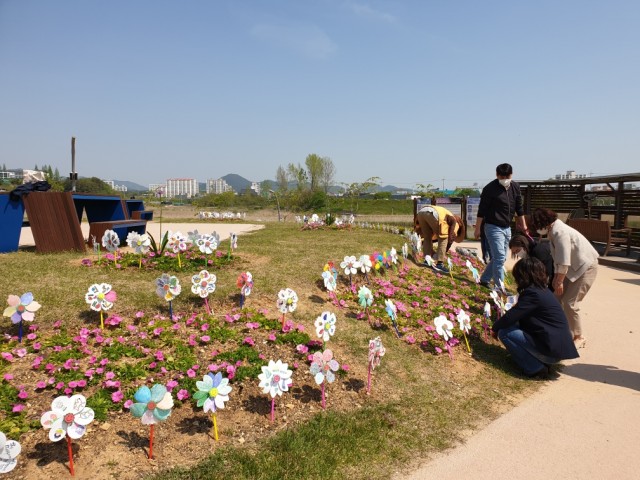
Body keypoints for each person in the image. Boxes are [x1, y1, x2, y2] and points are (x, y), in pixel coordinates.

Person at [492, 257, 579, 378]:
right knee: (512, 326)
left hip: (552, 352)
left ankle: (534, 368)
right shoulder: (542, 290)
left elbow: (511, 316)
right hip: (555, 348)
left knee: (505, 332)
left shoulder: (533, 293)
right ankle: (541, 361)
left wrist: (495, 328)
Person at [530, 207, 598, 348]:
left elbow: (564, 260)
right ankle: (560, 331)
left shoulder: (559, 232)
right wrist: (556, 279)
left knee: (570, 303)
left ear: (543, 223)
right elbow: (558, 260)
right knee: (556, 298)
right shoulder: (553, 230)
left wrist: (559, 281)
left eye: (536, 225)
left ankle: (579, 336)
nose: (536, 229)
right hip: (572, 268)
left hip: (586, 267)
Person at [474, 163, 528, 288]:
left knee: (501, 258)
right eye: (501, 176)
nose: (504, 179)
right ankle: (500, 288)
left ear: (511, 175)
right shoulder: (489, 188)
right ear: (497, 175)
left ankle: (485, 279)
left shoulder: (515, 187)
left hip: (507, 227)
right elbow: (481, 210)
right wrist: (477, 229)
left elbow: (519, 208)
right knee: (499, 258)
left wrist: (523, 225)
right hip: (493, 226)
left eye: (507, 176)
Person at [415, 204, 465, 274]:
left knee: (427, 237)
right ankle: (439, 264)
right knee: (444, 238)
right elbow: (450, 238)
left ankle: (427, 260)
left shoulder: (447, 214)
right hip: (433, 214)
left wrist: (433, 252)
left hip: (422, 212)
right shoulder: (456, 223)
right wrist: (444, 251)